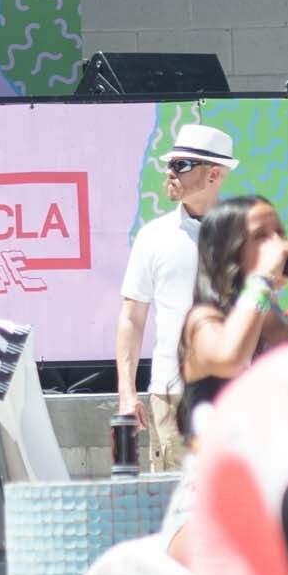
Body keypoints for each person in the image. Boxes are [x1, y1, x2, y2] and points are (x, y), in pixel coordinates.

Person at [162, 192, 288, 562]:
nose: (277, 245)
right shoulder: (203, 323)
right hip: (211, 509)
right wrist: (262, 279)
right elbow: (231, 357)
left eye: (279, 233)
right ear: (229, 252)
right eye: (261, 237)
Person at [114, 123, 237, 469]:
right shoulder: (153, 237)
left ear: (214, 174)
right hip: (171, 391)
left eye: (182, 165)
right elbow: (131, 316)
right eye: (170, 163)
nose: (170, 172)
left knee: (233, 502)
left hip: (236, 390)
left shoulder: (242, 234)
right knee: (173, 506)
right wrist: (127, 392)